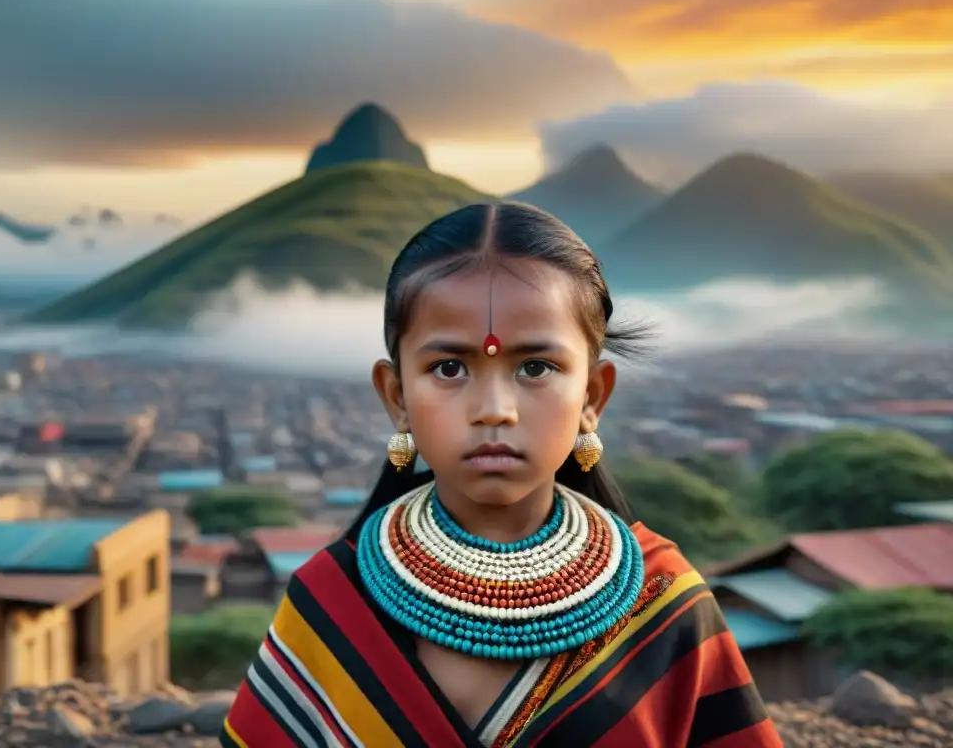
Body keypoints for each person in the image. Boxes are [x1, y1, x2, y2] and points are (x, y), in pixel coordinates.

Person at [220, 202, 783, 747]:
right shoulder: (331, 606)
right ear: (397, 397)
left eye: (535, 367)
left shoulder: (662, 604)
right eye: (449, 368)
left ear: (593, 395)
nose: (495, 408)